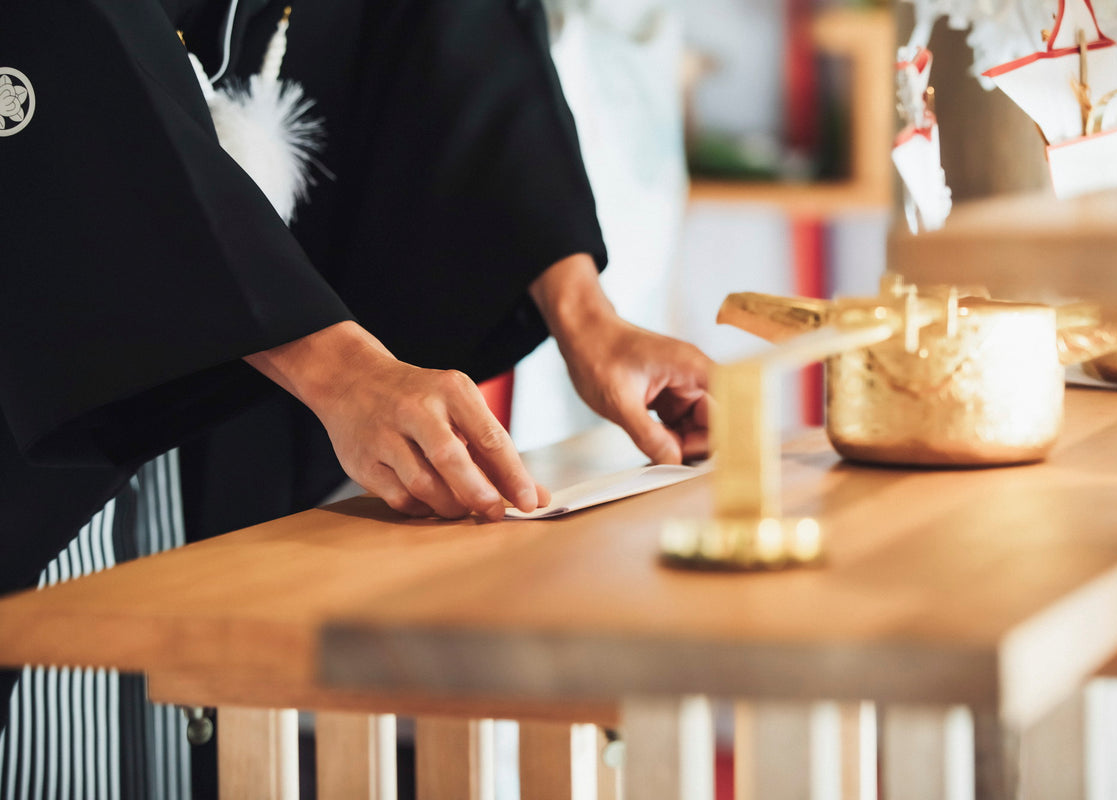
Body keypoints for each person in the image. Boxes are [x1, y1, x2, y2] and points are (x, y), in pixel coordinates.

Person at [0, 0, 710, 791]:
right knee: (61, 700)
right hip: (46, 339)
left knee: (194, 705)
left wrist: (586, 317)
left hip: (241, 367)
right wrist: (338, 368)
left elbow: (453, 34)